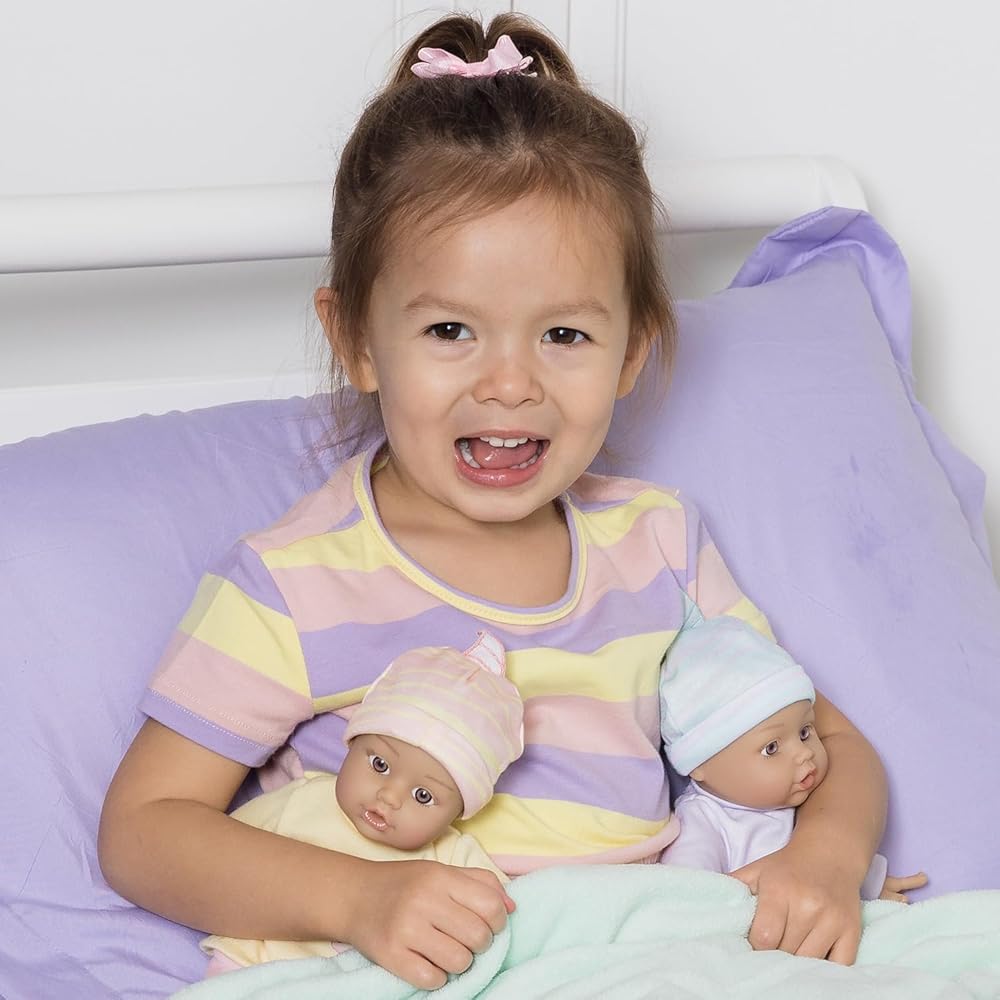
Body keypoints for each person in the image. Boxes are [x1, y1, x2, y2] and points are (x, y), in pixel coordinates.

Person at [97, 12, 890, 990]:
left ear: (631, 351)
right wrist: (358, 899)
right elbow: (143, 830)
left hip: (629, 955)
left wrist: (827, 857)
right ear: (356, 340)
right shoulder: (296, 582)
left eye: (563, 336)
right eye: (449, 331)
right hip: (395, 968)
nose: (510, 384)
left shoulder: (658, 545)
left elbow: (830, 740)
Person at [200, 631, 523, 976]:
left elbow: (504, 912)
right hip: (256, 963)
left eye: (423, 796)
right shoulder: (303, 800)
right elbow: (218, 855)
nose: (390, 796)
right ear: (352, 745)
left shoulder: (453, 858)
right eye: (380, 765)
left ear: (457, 813)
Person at [660, 612, 927, 902]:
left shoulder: (798, 800)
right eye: (771, 748)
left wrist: (869, 886)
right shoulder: (705, 823)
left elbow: (829, 867)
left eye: (804, 732)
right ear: (699, 764)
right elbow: (688, 898)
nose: (804, 753)